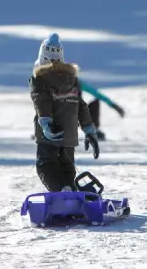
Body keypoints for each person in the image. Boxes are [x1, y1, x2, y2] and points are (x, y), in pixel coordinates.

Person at [30, 33, 99, 192]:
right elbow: (81, 105)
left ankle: (63, 195)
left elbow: (42, 100)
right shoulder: (72, 79)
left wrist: (46, 123)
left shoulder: (39, 79)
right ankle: (69, 191)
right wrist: (89, 130)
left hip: (50, 134)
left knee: (46, 165)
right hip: (69, 135)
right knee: (67, 167)